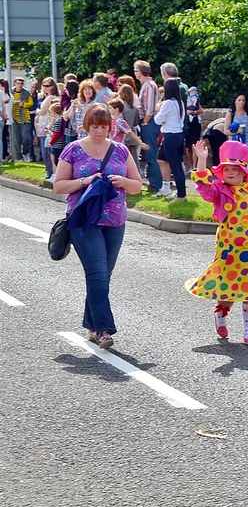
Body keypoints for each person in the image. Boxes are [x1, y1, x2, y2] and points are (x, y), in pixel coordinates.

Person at [51, 105, 144, 349]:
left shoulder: (121, 150)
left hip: (115, 220)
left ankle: (90, 324)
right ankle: (104, 330)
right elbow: (58, 185)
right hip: (83, 221)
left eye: (104, 127)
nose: (100, 131)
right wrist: (85, 181)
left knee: (103, 276)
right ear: (86, 126)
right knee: (98, 274)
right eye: (95, 126)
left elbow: (137, 186)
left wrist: (124, 181)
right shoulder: (73, 149)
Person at [186, 139, 248, 346]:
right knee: (227, 288)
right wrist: (202, 160)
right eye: (226, 169)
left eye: (235, 169)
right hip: (227, 249)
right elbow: (204, 187)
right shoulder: (219, 190)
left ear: (244, 172)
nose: (230, 172)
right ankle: (221, 315)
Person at [154, 77, 187, 201]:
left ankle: (181, 195)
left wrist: (158, 109)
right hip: (178, 134)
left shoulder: (167, 103)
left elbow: (158, 120)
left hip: (170, 136)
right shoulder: (180, 103)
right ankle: (167, 187)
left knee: (175, 165)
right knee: (161, 159)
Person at [134, 60, 163, 193]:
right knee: (149, 153)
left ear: (141, 71)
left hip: (149, 123)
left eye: (136, 70)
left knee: (151, 153)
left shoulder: (149, 85)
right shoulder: (146, 85)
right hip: (148, 122)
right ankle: (154, 182)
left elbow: (150, 108)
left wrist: (145, 121)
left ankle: (156, 184)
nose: (135, 73)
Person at [10, 77, 35, 161]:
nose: (20, 85)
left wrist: (23, 105)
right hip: (14, 118)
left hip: (24, 118)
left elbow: (31, 103)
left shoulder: (26, 93)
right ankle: (18, 157)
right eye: (18, 83)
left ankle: (25, 153)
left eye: (21, 84)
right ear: (14, 83)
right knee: (16, 139)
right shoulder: (10, 92)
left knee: (26, 138)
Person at [185, 86, 204, 171]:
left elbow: (201, 110)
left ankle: (194, 166)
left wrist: (193, 112)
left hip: (195, 123)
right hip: (187, 124)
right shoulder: (186, 99)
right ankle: (191, 165)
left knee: (194, 144)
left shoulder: (196, 100)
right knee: (188, 146)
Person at [0, 78, 10, 162]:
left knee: (2, 138)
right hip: (4, 118)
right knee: (2, 138)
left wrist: (3, 115)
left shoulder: (2, 93)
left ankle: (3, 156)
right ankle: (3, 156)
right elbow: (3, 104)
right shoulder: (5, 93)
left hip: (3, 118)